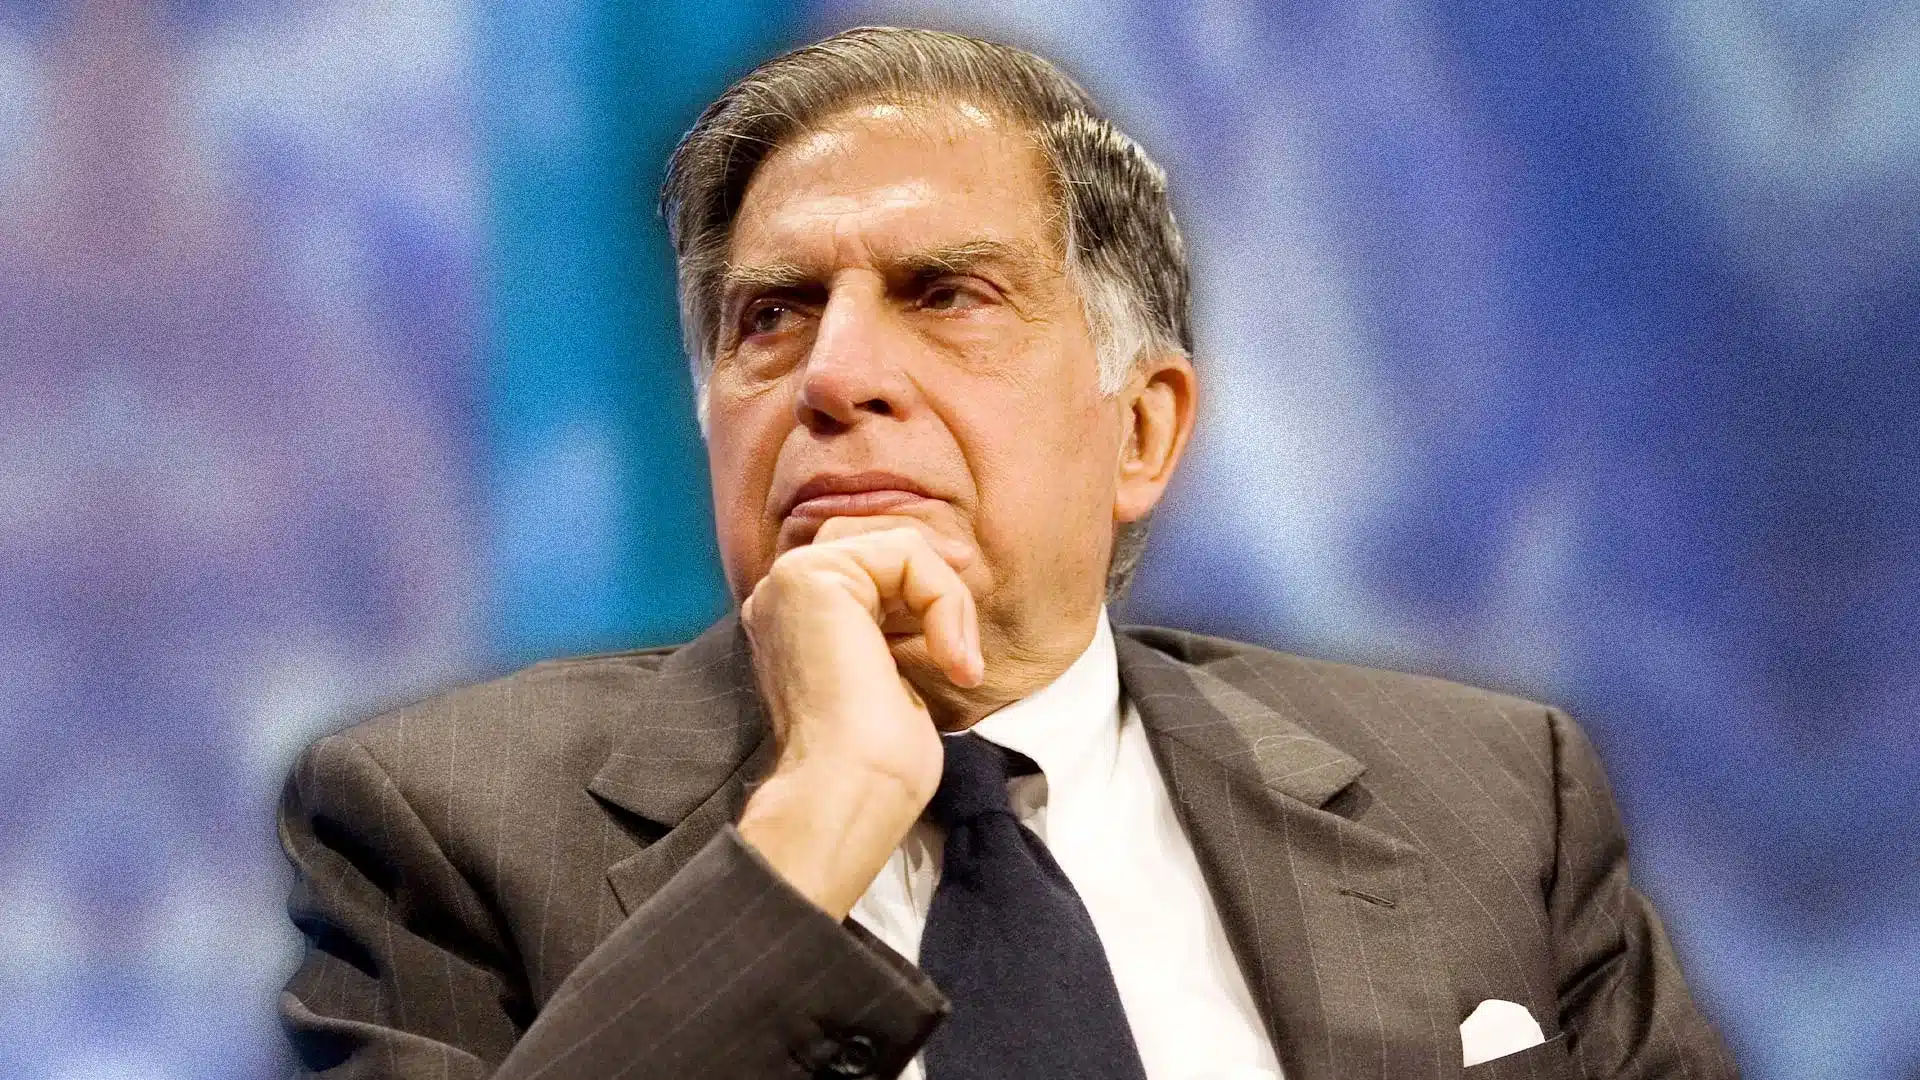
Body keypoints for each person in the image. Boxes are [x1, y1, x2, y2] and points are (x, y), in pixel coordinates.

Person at [277, 26, 1737, 1080]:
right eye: (771, 317)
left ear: (1142, 432)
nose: (835, 376)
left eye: (944, 295)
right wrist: (828, 811)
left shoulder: (1493, 801)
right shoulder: (443, 828)